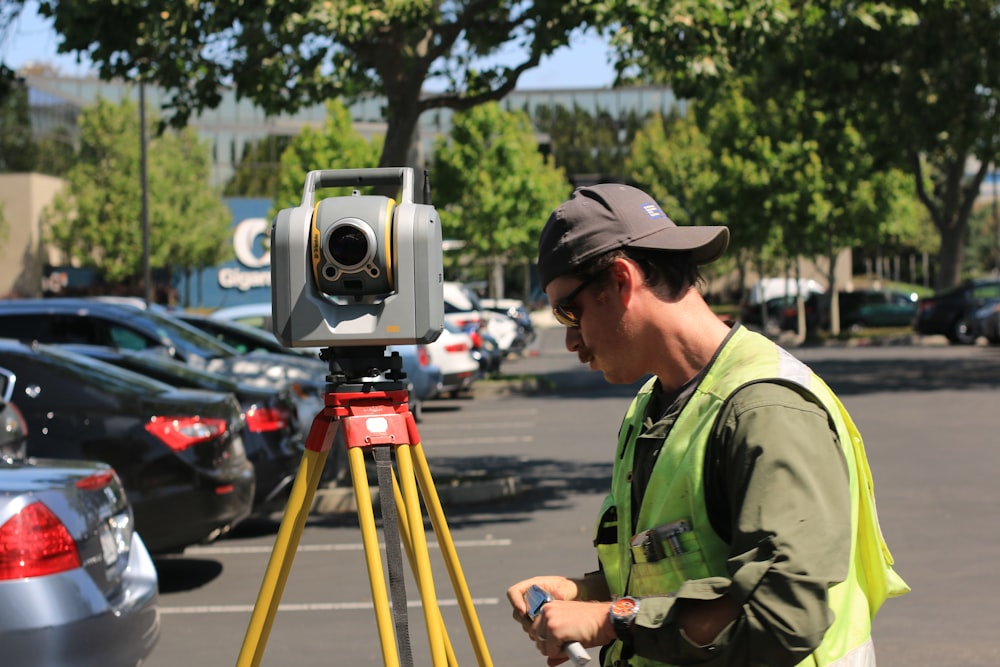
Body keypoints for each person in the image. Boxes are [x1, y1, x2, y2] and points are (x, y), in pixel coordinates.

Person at [506, 183, 909, 667]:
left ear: (619, 281)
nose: (570, 340)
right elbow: (680, 574)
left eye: (569, 312)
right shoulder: (653, 403)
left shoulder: (765, 410)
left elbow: (783, 614)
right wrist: (584, 592)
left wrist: (610, 619)